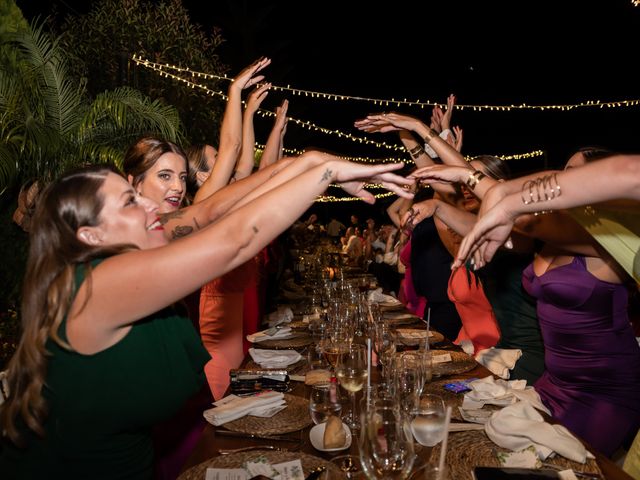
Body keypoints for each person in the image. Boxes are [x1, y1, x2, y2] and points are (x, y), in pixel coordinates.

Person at [0, 153, 412, 477]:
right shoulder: (94, 286)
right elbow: (234, 239)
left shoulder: (128, 255)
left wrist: (311, 162)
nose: (149, 204)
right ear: (90, 236)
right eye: (130, 200)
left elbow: (215, 211)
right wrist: (326, 172)